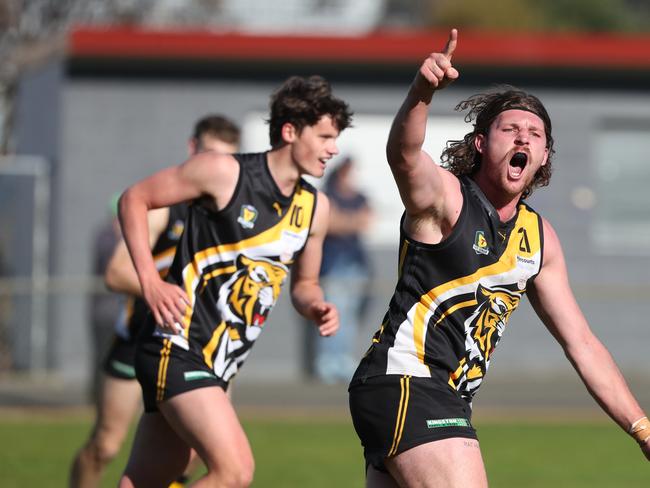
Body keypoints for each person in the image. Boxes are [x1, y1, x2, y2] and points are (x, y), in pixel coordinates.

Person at [348, 29, 650, 487]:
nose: (522, 138)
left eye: (534, 134)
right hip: (408, 382)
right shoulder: (448, 200)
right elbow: (405, 156)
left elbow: (582, 344)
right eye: (509, 130)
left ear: (544, 155)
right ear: (481, 144)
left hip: (438, 398)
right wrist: (421, 93)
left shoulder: (538, 238)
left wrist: (641, 427)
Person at [118, 75, 352, 487]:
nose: (334, 148)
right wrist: (150, 282)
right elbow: (134, 199)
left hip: (218, 364)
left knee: (145, 480)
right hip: (178, 347)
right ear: (290, 131)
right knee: (235, 472)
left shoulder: (315, 208)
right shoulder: (223, 172)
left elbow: (305, 285)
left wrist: (315, 304)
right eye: (325, 136)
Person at [69, 114, 241, 488]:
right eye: (209, 154)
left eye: (226, 159)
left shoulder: (231, 216)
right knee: (106, 445)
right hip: (139, 338)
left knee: (196, 454)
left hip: (195, 345)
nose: (214, 167)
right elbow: (116, 273)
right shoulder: (167, 205)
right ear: (192, 149)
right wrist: (165, 289)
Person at [310, 156, 373, 383]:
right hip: (333, 264)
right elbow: (330, 223)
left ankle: (343, 359)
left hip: (355, 263)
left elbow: (366, 221)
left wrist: (345, 221)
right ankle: (327, 362)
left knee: (350, 317)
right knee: (333, 313)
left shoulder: (359, 196)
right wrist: (350, 221)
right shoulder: (327, 194)